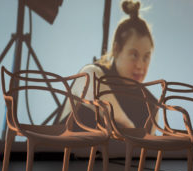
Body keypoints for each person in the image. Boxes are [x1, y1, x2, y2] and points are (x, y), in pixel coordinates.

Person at [59, 0, 157, 130]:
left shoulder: (151, 106)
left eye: (146, 57)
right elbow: (91, 83)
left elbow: (147, 148)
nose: (140, 65)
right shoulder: (92, 73)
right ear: (116, 50)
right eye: (134, 55)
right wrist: (130, 129)